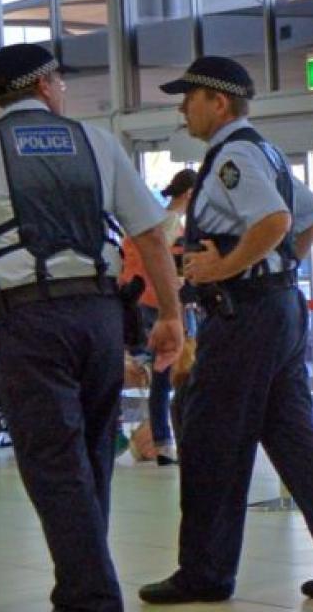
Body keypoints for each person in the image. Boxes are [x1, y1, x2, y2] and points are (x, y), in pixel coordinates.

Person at [0, 43, 183, 612]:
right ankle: (81, 586)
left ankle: (90, 595)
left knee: (51, 458)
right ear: (44, 85)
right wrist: (170, 314)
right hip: (99, 317)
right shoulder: (95, 141)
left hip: (30, 318)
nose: (63, 89)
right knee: (92, 455)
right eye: (60, 81)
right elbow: (151, 235)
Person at [139, 56, 313, 605]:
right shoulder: (263, 151)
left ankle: (204, 573)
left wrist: (225, 269)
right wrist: (278, 270)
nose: (183, 107)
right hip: (275, 309)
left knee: (207, 436)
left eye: (191, 96)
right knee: (295, 438)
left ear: (219, 102)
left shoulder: (234, 158)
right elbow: (311, 215)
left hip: (245, 316)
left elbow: (275, 220)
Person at [119, 168, 195, 465]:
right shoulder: (171, 224)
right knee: (178, 372)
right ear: (190, 194)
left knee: (160, 374)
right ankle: (167, 439)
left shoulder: (150, 220)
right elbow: (163, 269)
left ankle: (162, 441)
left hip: (139, 302)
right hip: (164, 306)